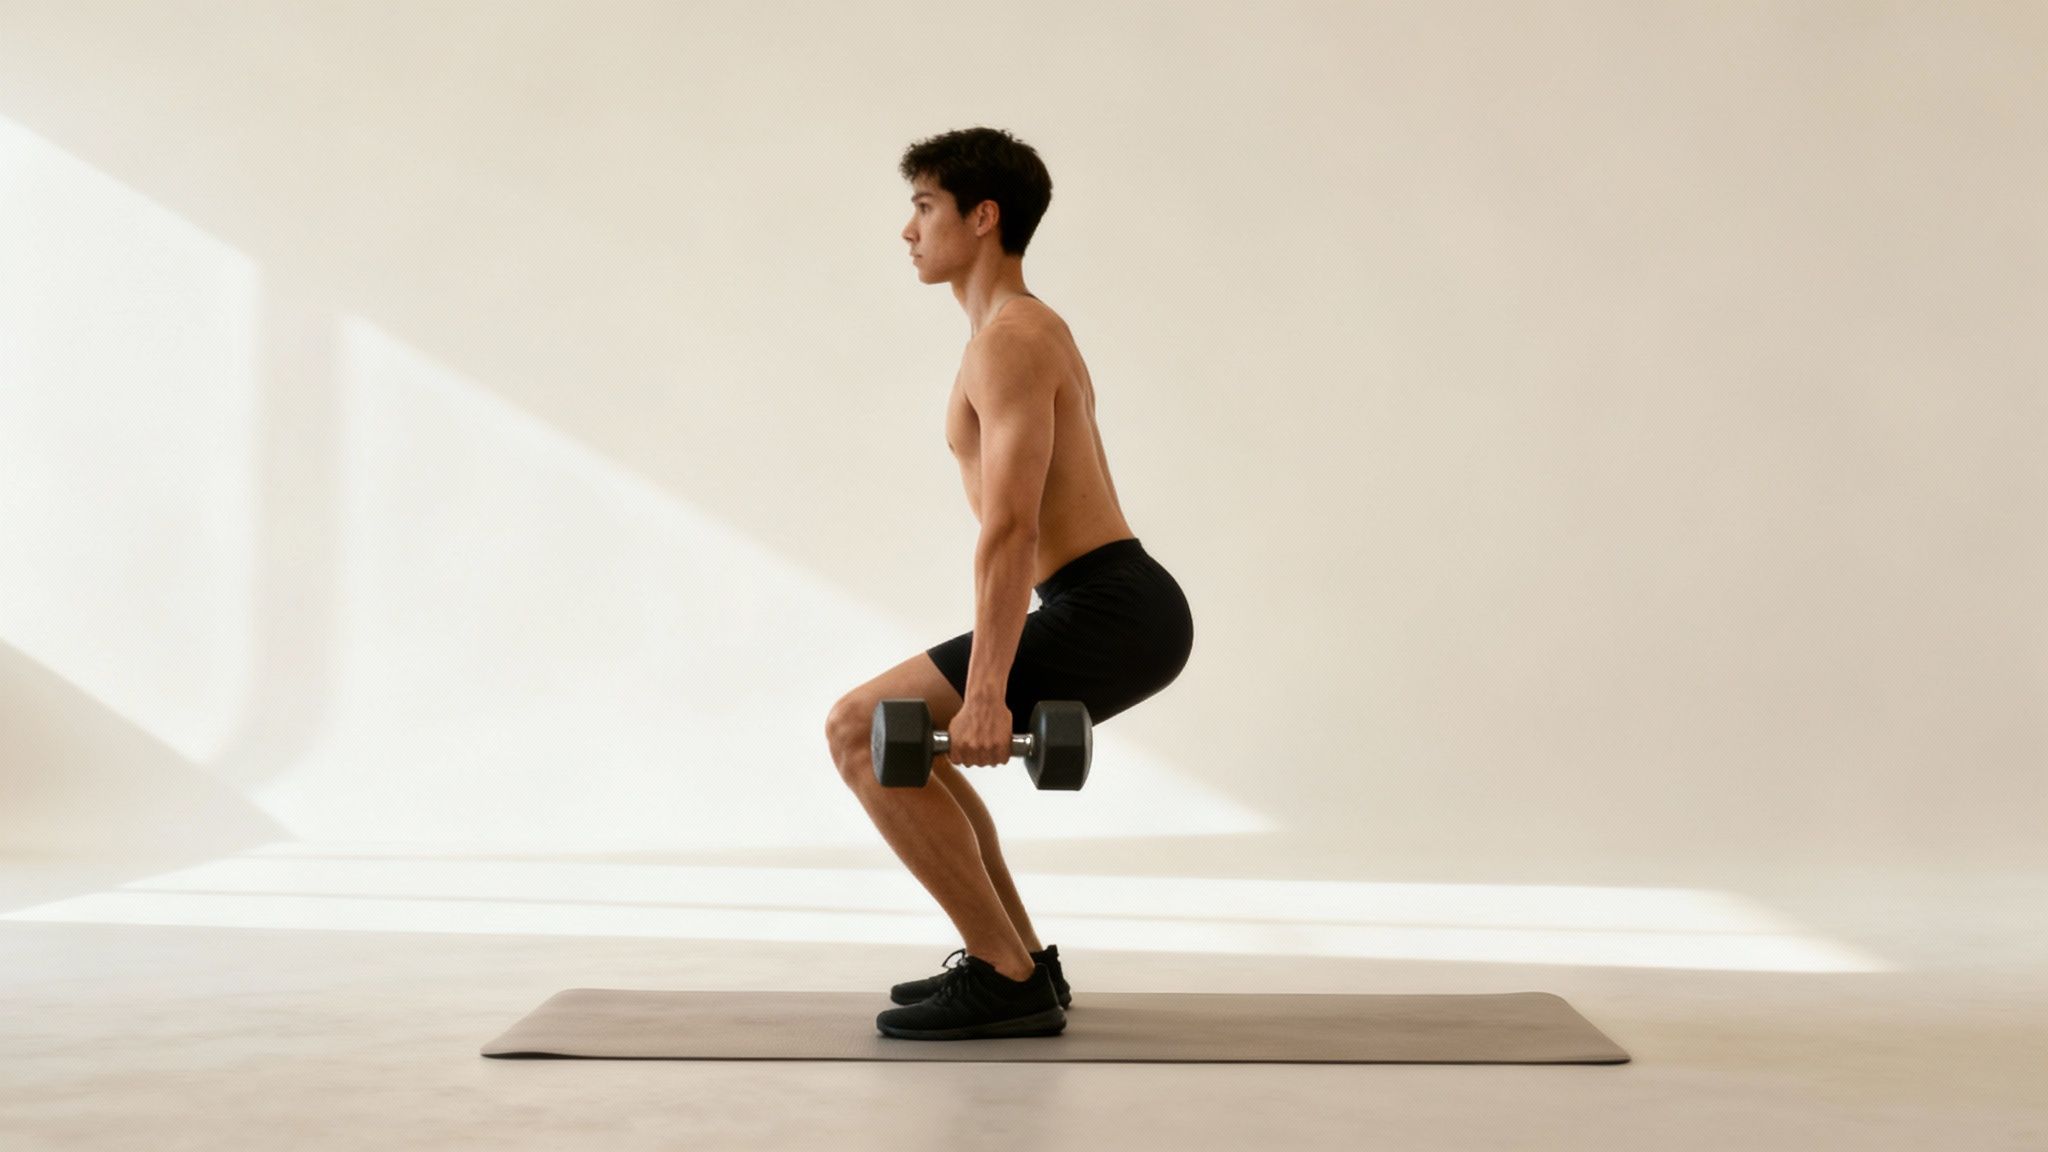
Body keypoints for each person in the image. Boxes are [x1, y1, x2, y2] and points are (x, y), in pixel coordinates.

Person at [821, 126, 1194, 1041]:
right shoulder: (1014, 330)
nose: (907, 231)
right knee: (896, 739)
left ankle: (1003, 972)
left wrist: (985, 692)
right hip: (1105, 602)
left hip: (1113, 607)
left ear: (982, 218)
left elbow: (1012, 526)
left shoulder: (1012, 340)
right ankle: (1021, 959)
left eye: (924, 207)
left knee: (860, 730)